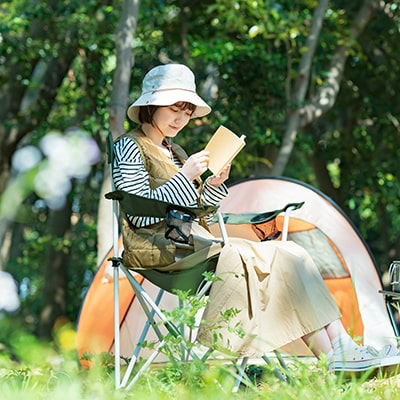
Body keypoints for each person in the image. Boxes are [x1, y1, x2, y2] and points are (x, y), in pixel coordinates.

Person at [112, 63, 400, 373]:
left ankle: (341, 349)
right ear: (151, 106)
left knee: (292, 252)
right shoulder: (130, 146)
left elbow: (196, 210)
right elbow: (139, 212)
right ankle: (334, 357)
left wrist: (212, 185)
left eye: (187, 111)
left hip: (189, 246)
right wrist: (186, 175)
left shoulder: (175, 151)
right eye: (174, 109)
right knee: (256, 257)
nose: (181, 119)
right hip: (157, 252)